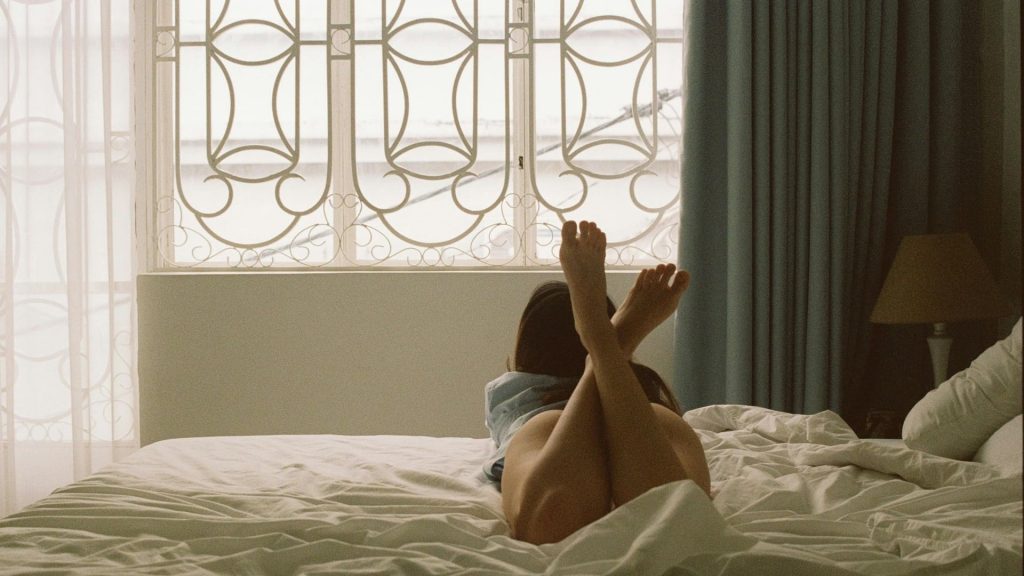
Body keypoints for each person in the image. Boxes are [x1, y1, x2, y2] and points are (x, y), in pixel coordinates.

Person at [483, 220, 711, 545]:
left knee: (545, 520)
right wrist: (610, 344)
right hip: (640, 411)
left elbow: (545, 527)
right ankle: (607, 348)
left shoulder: (517, 395)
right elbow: (679, 528)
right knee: (677, 514)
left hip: (548, 424)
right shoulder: (656, 409)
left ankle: (603, 344)